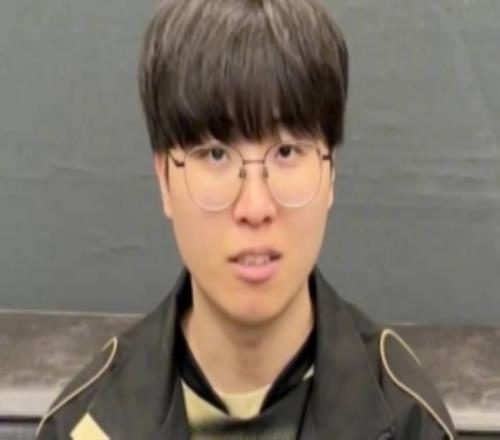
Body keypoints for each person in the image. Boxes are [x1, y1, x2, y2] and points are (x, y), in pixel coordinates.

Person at [36, 0, 457, 438]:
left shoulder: (409, 422)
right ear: (164, 179)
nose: (255, 208)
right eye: (216, 154)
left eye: (287, 152)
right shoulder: (84, 426)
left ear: (330, 170)